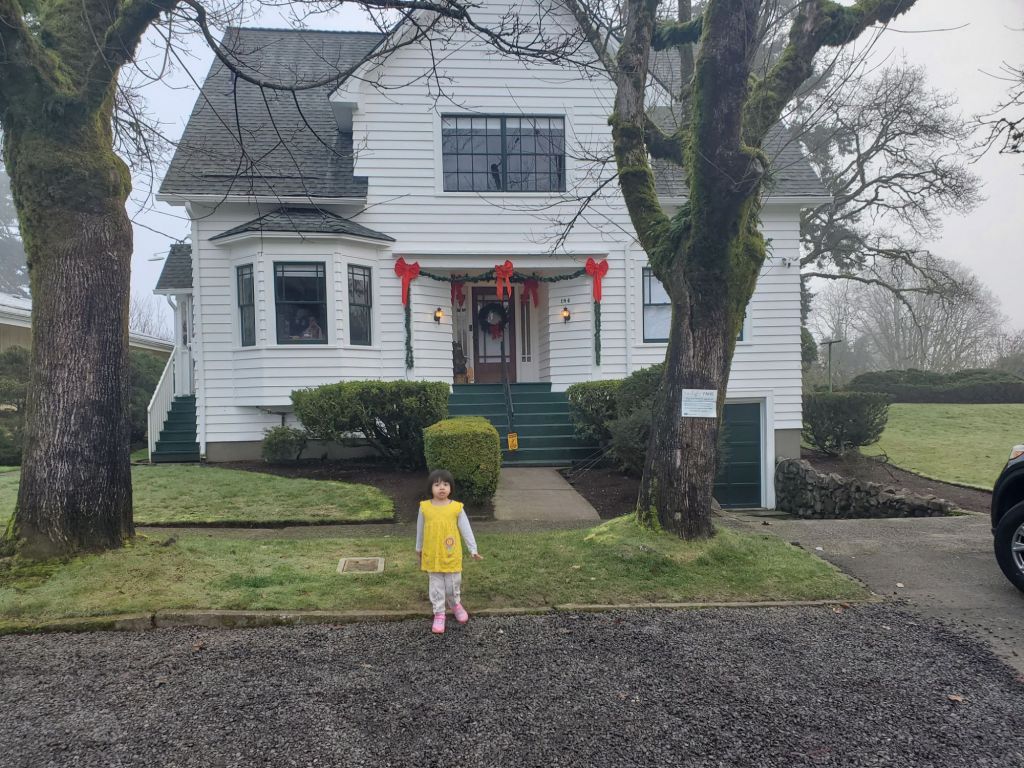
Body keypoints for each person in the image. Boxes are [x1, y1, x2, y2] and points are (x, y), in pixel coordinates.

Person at [416, 468, 483, 634]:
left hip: (451, 554)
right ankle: (439, 613)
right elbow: (420, 530)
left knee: (452, 584)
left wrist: (473, 549)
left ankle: (455, 604)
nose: (442, 488)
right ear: (431, 488)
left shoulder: (457, 508)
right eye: (437, 484)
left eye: (445, 484)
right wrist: (418, 548)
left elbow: (466, 529)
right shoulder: (424, 507)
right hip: (432, 554)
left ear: (451, 487)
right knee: (436, 585)